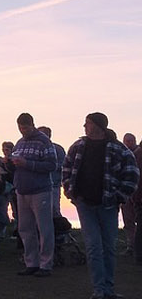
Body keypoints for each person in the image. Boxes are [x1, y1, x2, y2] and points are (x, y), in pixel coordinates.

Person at [62, 113, 140, 299]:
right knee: (93, 247)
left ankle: (108, 289)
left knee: (108, 247)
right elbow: (66, 166)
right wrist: (69, 189)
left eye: (87, 123)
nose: (84, 126)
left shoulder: (118, 149)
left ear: (97, 125)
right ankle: (99, 290)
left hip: (108, 205)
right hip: (84, 204)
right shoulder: (78, 146)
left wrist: (118, 197)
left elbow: (132, 175)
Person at [11, 113, 61, 278]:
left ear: (32, 124)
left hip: (40, 190)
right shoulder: (19, 143)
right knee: (25, 228)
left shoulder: (44, 142)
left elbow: (51, 165)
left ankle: (46, 264)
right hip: (22, 190)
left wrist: (27, 164)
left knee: (44, 228)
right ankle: (31, 263)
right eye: (20, 127)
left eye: (25, 127)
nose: (22, 130)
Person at [40, 126, 68, 218]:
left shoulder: (58, 149)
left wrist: (47, 166)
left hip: (54, 186)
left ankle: (59, 231)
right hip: (37, 187)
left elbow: (64, 166)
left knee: (54, 211)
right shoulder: (35, 148)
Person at [124, 133, 139, 256]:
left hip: (138, 193)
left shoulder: (138, 154)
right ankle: (131, 245)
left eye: (131, 140)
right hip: (126, 193)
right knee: (128, 220)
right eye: (127, 141)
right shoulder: (123, 154)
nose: (129, 143)